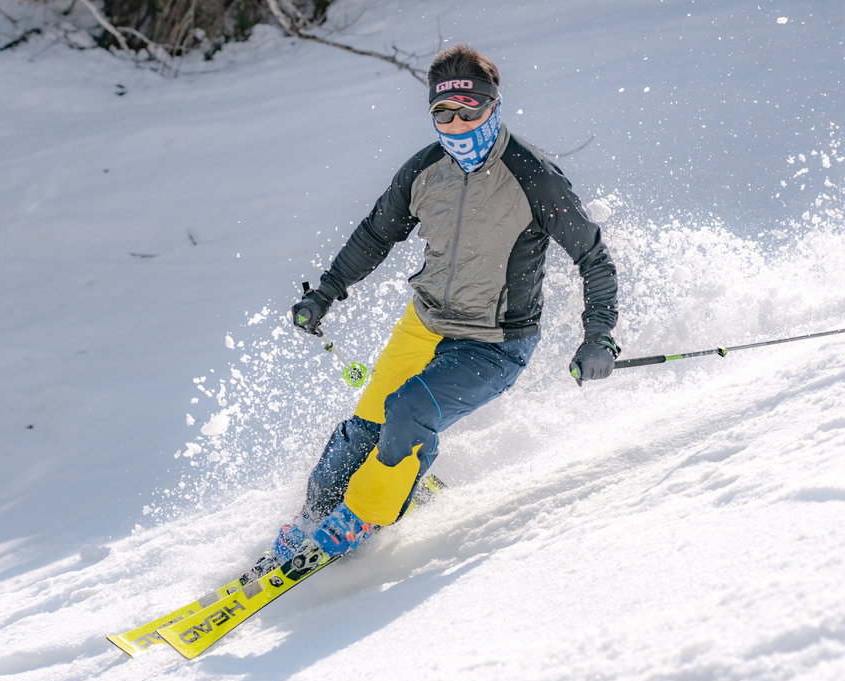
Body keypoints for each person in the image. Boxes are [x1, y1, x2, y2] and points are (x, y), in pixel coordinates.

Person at [255, 44, 620, 574]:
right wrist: (325, 292)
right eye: (442, 114)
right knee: (366, 424)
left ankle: (362, 517)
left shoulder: (532, 176)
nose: (456, 124)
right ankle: (314, 518)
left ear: (493, 107)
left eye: (469, 111)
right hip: (424, 324)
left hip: (494, 343)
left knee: (409, 410)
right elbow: (374, 236)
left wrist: (599, 335)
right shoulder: (427, 170)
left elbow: (594, 257)